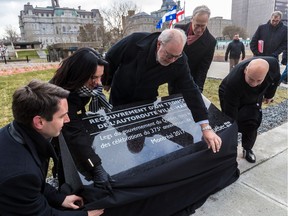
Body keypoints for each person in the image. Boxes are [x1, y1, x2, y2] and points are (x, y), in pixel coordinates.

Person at [104, 28, 222, 153]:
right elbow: (111, 57)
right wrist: (107, 80)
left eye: (176, 56)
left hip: (146, 99)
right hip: (120, 95)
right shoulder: (135, 41)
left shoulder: (179, 61)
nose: (172, 60)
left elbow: (191, 90)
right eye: (169, 55)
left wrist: (205, 127)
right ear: (159, 43)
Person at [0, 79, 104, 216]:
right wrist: (86, 215)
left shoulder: (13, 132)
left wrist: (59, 198)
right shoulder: (21, 173)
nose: (67, 120)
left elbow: (35, 186)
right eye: (62, 116)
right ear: (39, 122)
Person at [50, 47, 114, 193]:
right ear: (78, 74)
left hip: (68, 121)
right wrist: (96, 167)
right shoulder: (60, 96)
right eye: (94, 78)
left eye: (100, 77)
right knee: (62, 153)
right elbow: (73, 134)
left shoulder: (82, 86)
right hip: (50, 129)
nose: (99, 83)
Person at [219, 57, 280, 163]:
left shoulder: (273, 64)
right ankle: (229, 151)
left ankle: (247, 148)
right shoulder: (233, 82)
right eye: (251, 79)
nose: (254, 83)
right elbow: (231, 114)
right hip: (232, 94)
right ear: (245, 70)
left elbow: (275, 79)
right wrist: (233, 128)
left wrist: (269, 95)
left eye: (259, 80)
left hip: (256, 94)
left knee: (252, 120)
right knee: (230, 123)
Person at [171, 5, 216, 92]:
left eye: (203, 26)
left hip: (192, 80)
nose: (199, 30)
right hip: (175, 77)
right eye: (197, 25)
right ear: (192, 19)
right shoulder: (178, 29)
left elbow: (203, 68)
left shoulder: (211, 42)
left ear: (207, 22)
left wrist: (199, 89)